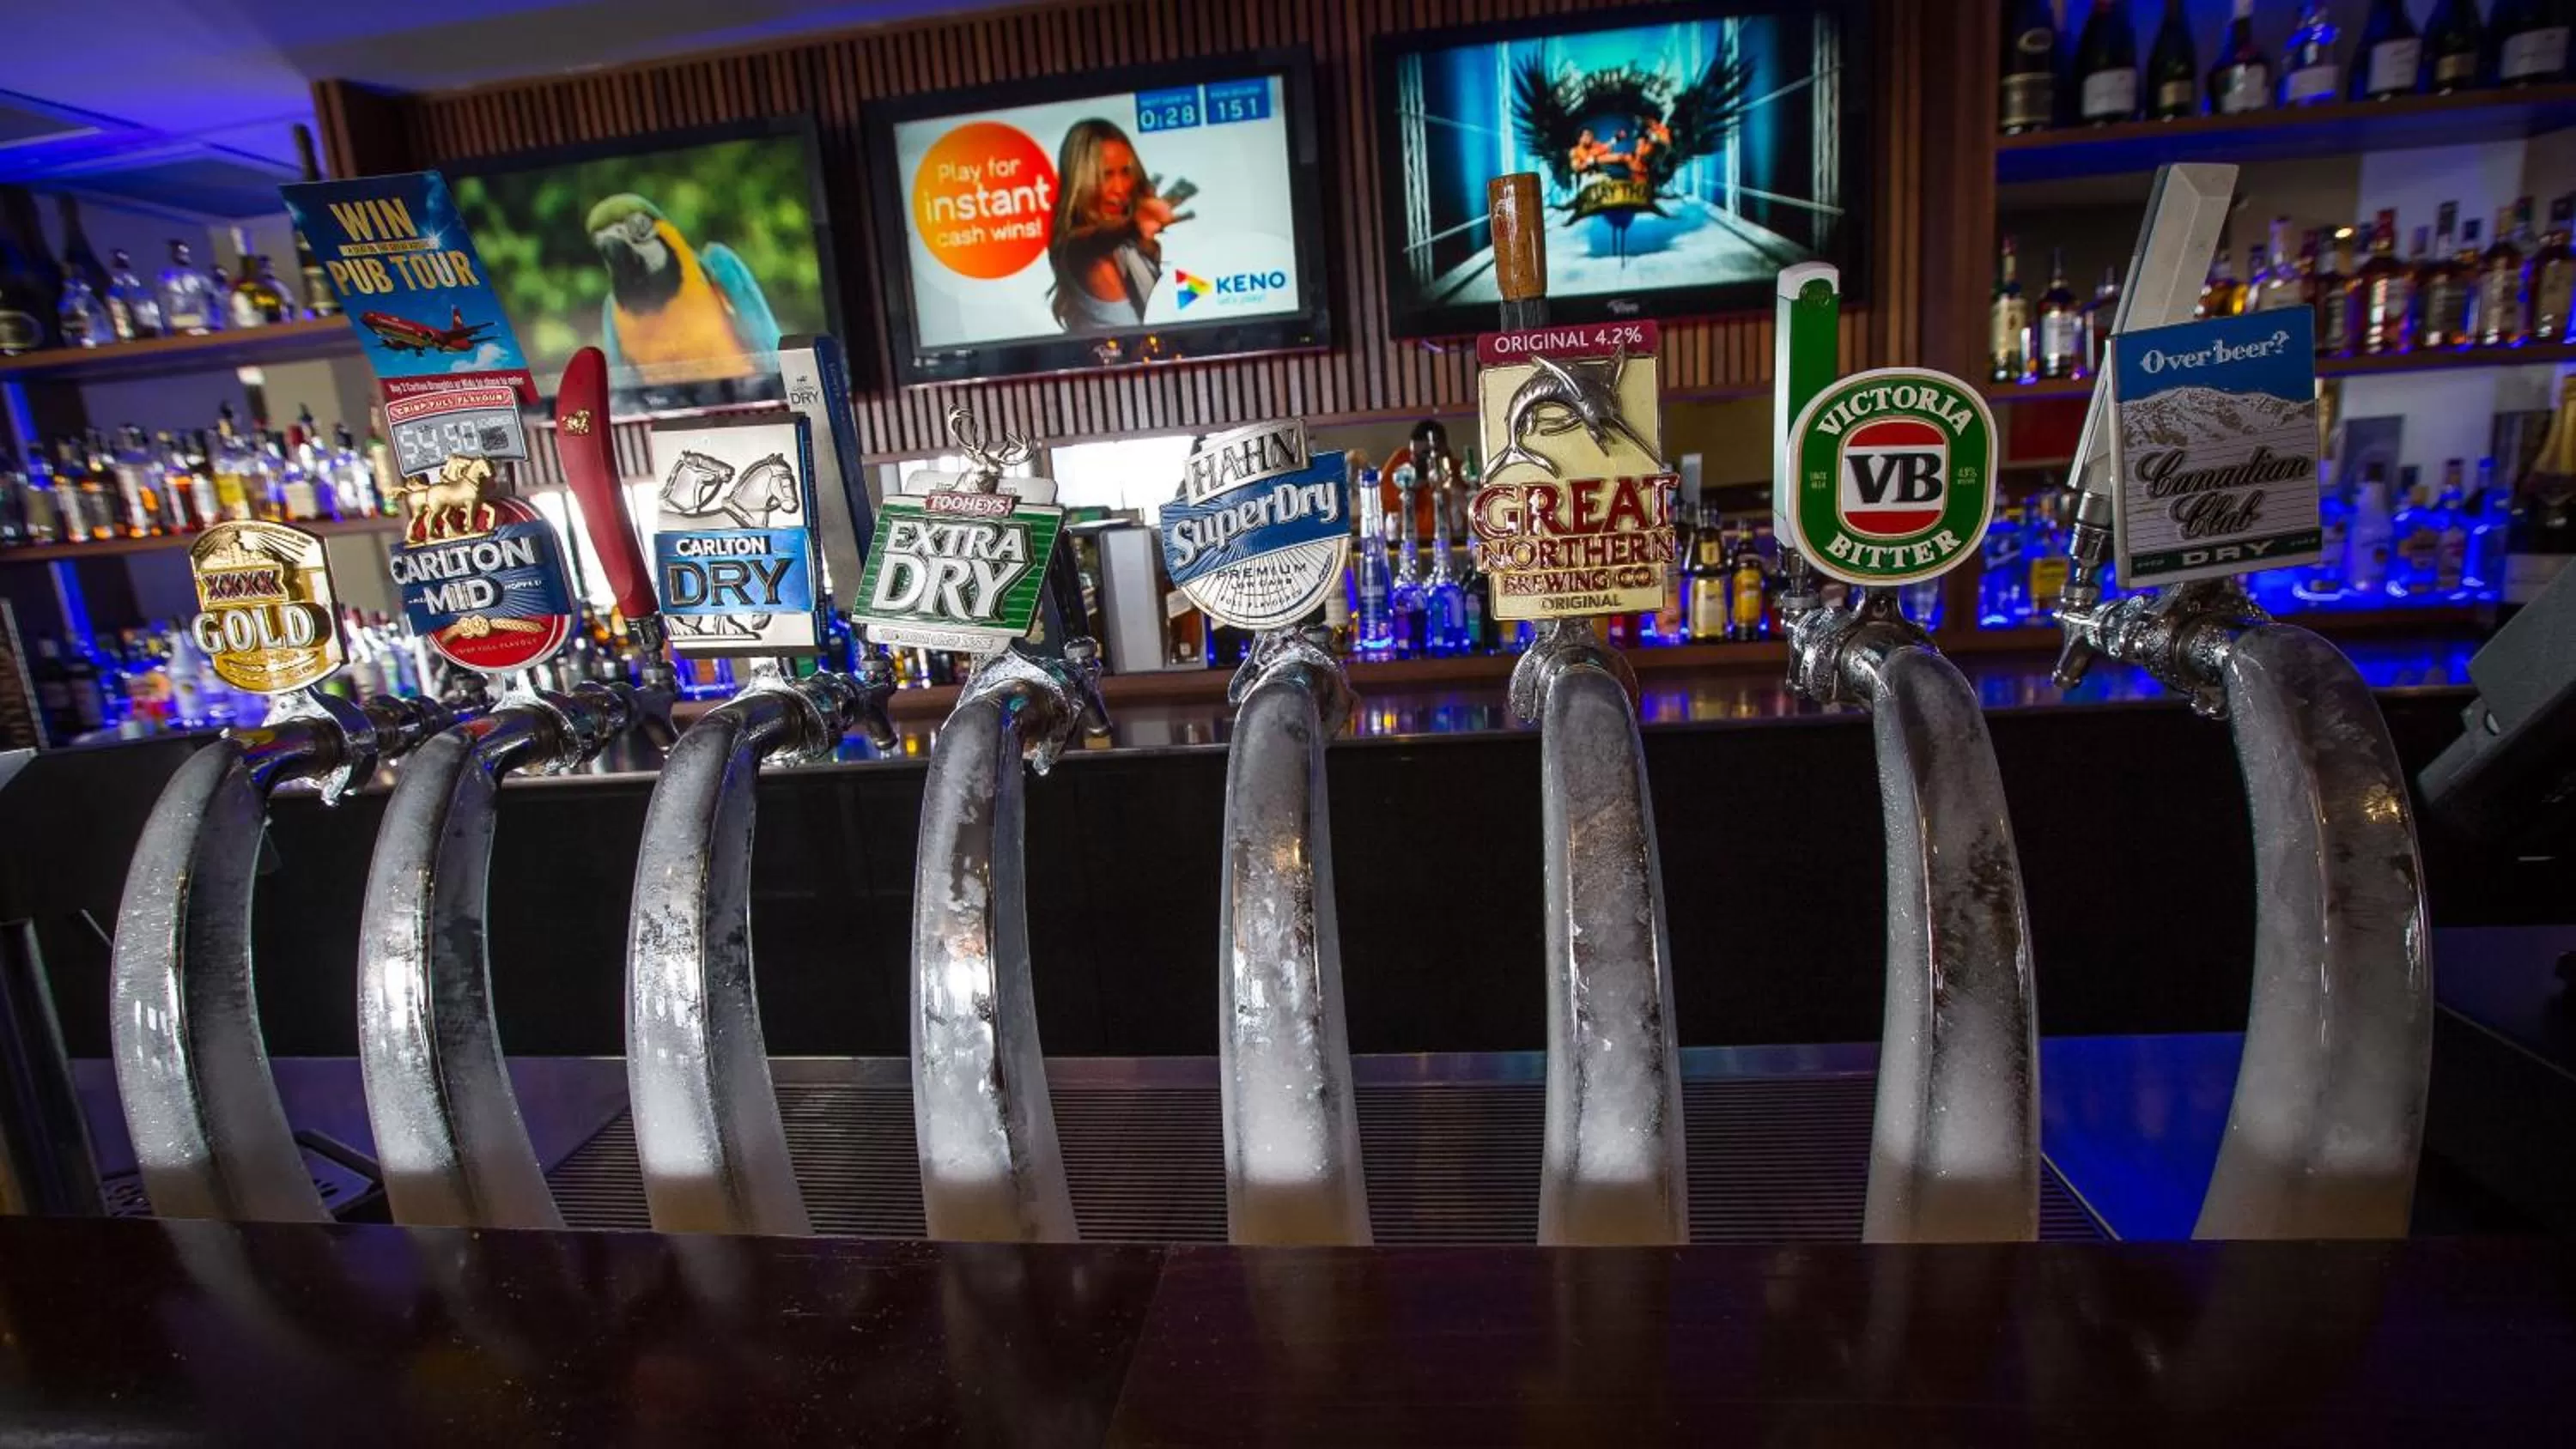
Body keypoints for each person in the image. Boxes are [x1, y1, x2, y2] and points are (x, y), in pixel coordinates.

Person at [1047, 118, 1179, 332]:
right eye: (1106, 175)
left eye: (1126, 172)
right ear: (1081, 180)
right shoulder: (1076, 247)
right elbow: (1093, 242)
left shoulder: (1131, 248)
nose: (1120, 188)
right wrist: (1135, 225)